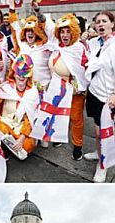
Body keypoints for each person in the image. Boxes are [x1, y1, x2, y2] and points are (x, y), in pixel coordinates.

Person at [47, 12, 89, 160]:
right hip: (58, 89)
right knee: (59, 114)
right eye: (62, 31)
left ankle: (77, 146)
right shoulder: (56, 47)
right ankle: (58, 137)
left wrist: (79, 85)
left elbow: (85, 68)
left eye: (68, 31)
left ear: (74, 32)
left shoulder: (79, 48)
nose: (65, 35)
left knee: (76, 118)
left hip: (74, 90)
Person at [0, 54, 40, 160]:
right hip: (4, 123)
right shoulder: (6, 87)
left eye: (24, 74)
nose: (21, 77)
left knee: (28, 146)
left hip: (20, 127)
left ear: (28, 76)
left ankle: (9, 145)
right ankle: (3, 149)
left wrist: (22, 138)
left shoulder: (33, 92)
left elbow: (31, 118)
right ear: (14, 74)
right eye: (18, 74)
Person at [83, 11, 115, 182]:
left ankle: (103, 166)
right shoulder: (93, 43)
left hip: (108, 97)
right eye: (97, 22)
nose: (101, 24)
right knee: (97, 132)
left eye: (104, 21)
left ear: (112, 24)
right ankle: (99, 152)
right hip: (94, 93)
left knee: (103, 132)